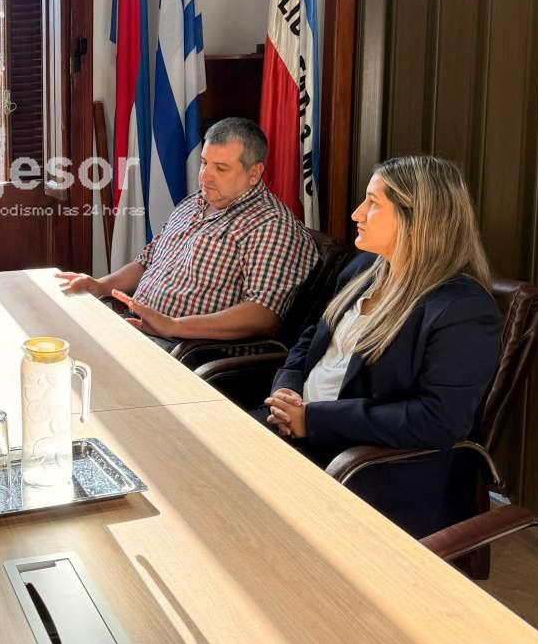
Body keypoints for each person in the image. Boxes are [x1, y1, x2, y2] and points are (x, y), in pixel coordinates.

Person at [262, 155, 502, 536]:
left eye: (373, 203)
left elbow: (437, 420)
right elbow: (310, 340)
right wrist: (286, 390)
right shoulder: (363, 269)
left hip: (369, 464)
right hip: (298, 429)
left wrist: (315, 420)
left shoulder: (462, 309)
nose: (357, 213)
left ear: (417, 219)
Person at [57, 117, 316, 349]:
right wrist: (101, 286)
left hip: (187, 350)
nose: (205, 177)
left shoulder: (270, 224)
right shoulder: (195, 202)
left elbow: (263, 315)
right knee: (58, 336)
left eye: (221, 168)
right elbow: (147, 261)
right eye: (204, 163)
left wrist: (173, 325)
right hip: (139, 329)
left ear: (254, 173)